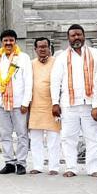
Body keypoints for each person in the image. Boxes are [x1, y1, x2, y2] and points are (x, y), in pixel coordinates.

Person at [51, 24, 97, 177]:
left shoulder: (96, 54)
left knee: (92, 137)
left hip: (90, 104)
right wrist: (55, 102)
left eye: (79, 34)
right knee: (68, 137)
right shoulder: (61, 57)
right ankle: (71, 167)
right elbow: (55, 81)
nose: (76, 38)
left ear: (84, 35)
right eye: (73, 35)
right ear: (68, 38)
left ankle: (94, 168)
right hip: (68, 104)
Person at [0, 29, 33, 175]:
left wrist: (26, 102)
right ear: (1, 42)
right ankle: (9, 162)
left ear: (15, 41)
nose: (8, 43)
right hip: (2, 103)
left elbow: (28, 81)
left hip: (19, 102)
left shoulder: (23, 58)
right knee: (5, 134)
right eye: (5, 41)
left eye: (11, 40)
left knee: (22, 133)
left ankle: (21, 162)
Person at [28, 38, 62, 175]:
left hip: (52, 105)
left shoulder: (57, 63)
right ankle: (37, 165)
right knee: (36, 138)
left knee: (53, 139)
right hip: (35, 105)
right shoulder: (31, 64)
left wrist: (57, 103)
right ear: (35, 49)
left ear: (50, 48)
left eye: (45, 46)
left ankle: (54, 167)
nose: (42, 49)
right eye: (39, 47)